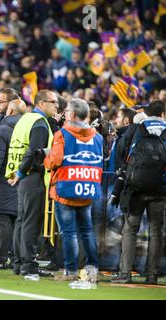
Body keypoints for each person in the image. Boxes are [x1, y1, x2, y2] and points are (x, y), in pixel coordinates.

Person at [43, 98, 103, 281]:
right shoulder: (98, 137)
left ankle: (70, 271)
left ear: (73, 114)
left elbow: (55, 160)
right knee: (87, 231)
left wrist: (45, 161)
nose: (65, 113)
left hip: (66, 188)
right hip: (88, 188)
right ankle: (93, 270)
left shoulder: (62, 134)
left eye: (68, 110)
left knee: (68, 232)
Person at [111, 100, 166, 285]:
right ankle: (152, 275)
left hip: (135, 187)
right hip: (160, 188)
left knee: (130, 229)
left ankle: (125, 273)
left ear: (147, 112)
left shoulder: (136, 127)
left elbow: (120, 151)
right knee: (156, 230)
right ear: (163, 114)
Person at [5, 90, 57, 275]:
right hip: (33, 176)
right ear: (42, 103)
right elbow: (34, 152)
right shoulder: (40, 123)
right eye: (53, 102)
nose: (56, 105)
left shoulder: (25, 119)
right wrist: (20, 172)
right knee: (31, 222)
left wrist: (18, 172)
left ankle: (19, 263)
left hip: (24, 177)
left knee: (22, 220)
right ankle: (29, 265)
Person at [0, 95, 27, 269]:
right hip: (22, 181)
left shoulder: (3, 129)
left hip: (2, 181)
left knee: (2, 219)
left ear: (9, 110)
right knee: (18, 220)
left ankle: (1, 258)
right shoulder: (28, 128)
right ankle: (16, 257)